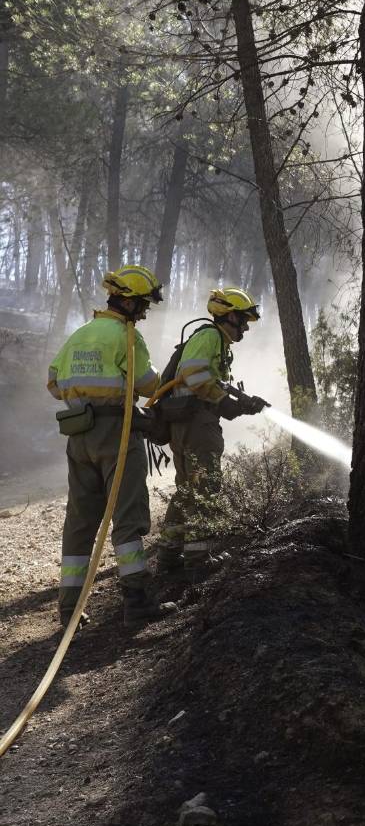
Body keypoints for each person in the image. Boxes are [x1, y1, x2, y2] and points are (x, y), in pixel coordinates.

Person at [47, 265, 173, 626]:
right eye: (144, 304)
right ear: (129, 303)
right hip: (117, 434)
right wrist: (155, 384)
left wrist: (85, 394)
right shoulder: (126, 335)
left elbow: (54, 382)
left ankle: (69, 609)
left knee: (80, 521)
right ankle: (137, 602)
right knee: (128, 516)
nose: (146, 311)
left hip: (79, 435)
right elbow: (149, 385)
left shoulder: (81, 333)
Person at [158, 287, 267, 570]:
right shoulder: (210, 336)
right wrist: (223, 402)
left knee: (187, 489)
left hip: (187, 422)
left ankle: (169, 555)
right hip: (197, 424)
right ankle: (198, 559)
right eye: (242, 320)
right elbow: (195, 376)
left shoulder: (215, 341)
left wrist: (241, 401)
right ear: (229, 316)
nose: (245, 327)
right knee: (205, 486)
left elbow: (210, 381)